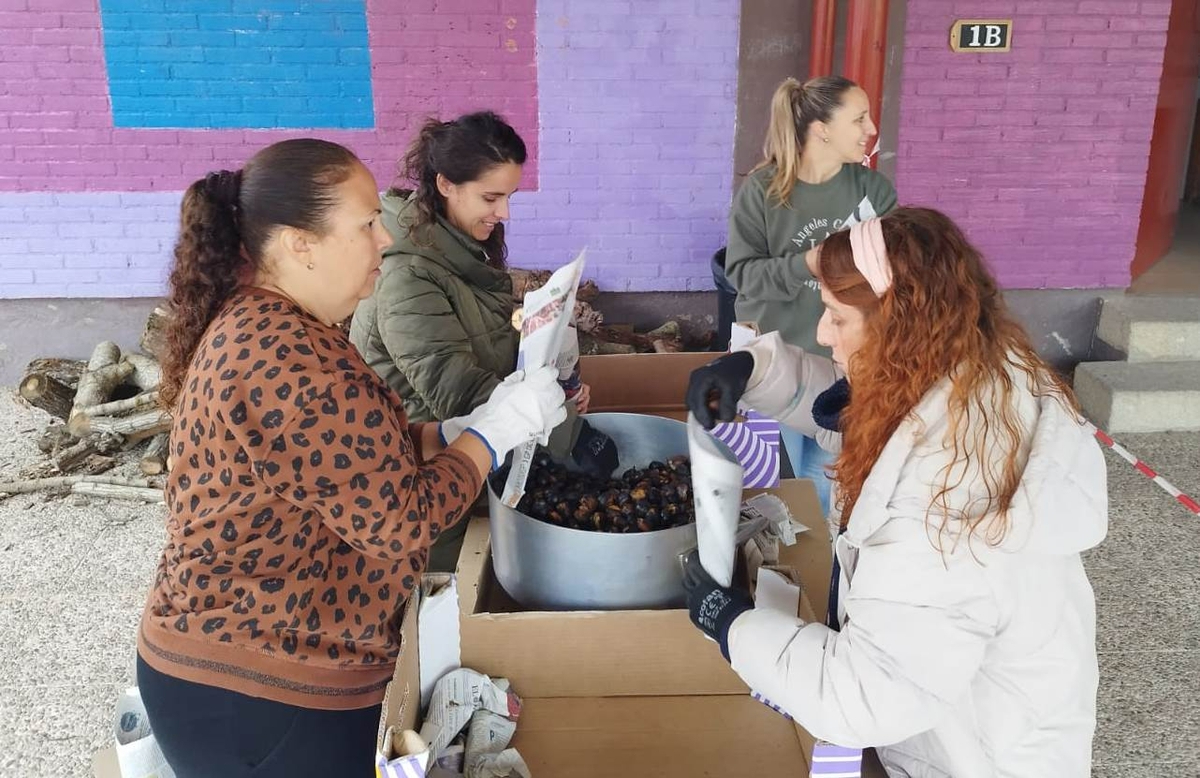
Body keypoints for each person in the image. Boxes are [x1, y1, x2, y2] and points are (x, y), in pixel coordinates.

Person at [136, 138, 567, 777]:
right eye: (366, 225)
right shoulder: (285, 359)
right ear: (299, 245)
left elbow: (346, 461)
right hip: (258, 691)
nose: (385, 240)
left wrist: (455, 431)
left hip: (249, 670)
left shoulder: (279, 326)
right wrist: (493, 434)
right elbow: (401, 520)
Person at [684, 208, 1108, 776]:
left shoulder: (944, 500)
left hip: (975, 758)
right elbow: (858, 408)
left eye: (837, 317)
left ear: (897, 329)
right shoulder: (971, 370)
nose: (821, 333)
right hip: (969, 718)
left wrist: (733, 625)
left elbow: (865, 699)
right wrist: (753, 373)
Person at [351, 111, 616, 569]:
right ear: (446, 185)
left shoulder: (457, 247)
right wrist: (569, 433)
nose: (504, 213)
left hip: (475, 459)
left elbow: (484, 342)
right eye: (491, 198)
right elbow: (459, 389)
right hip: (428, 484)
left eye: (509, 196)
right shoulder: (407, 277)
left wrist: (556, 393)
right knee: (445, 597)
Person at [724, 76, 898, 515]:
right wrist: (808, 263)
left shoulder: (873, 192)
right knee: (769, 489)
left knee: (825, 491)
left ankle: (821, 556)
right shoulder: (763, 191)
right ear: (821, 129)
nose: (871, 129)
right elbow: (742, 275)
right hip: (773, 365)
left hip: (845, 368)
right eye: (859, 119)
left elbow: (893, 280)